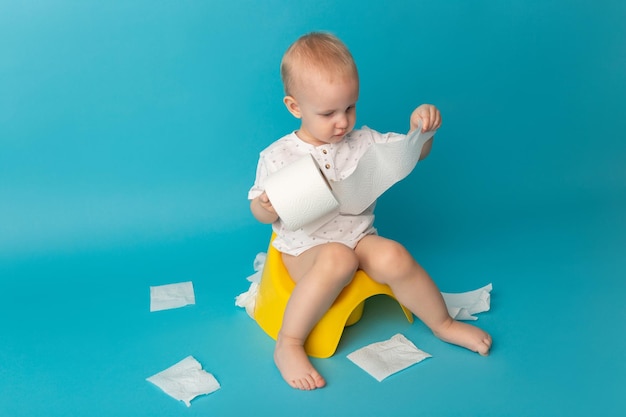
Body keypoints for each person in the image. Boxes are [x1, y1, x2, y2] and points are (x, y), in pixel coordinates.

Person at [248, 32, 492, 391]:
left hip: (358, 237)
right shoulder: (278, 156)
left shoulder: (362, 140)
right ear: (294, 107)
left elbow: (412, 154)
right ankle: (289, 343)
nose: (342, 122)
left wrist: (421, 132)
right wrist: (266, 205)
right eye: (328, 113)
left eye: (349, 107)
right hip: (304, 249)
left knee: (394, 255)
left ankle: (443, 324)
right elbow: (259, 212)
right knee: (337, 259)